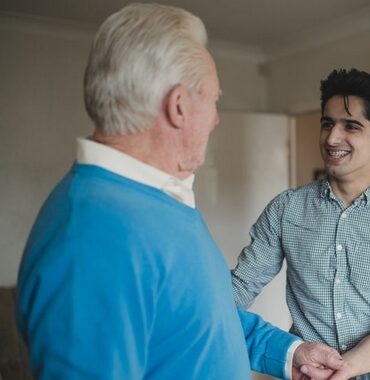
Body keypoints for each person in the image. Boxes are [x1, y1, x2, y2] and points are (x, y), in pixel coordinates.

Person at [16, 4, 344, 380]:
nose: (217, 118)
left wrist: (290, 352)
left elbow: (202, 317)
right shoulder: (91, 238)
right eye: (214, 100)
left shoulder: (158, 199)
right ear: (179, 106)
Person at [232, 69, 370, 378]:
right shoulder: (286, 209)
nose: (332, 137)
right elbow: (240, 287)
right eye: (327, 123)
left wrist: (341, 371)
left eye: (350, 126)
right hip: (306, 372)